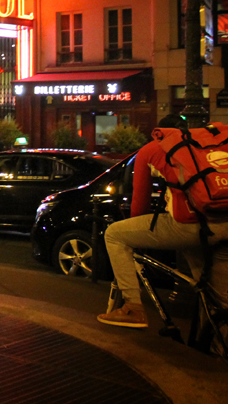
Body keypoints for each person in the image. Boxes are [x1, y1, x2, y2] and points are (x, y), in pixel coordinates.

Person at [98, 137, 228, 327]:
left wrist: (137, 234)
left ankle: (133, 308)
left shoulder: (152, 149)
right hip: (224, 220)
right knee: (217, 298)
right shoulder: (208, 145)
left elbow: (139, 205)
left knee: (114, 234)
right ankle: (216, 351)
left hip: (191, 225)